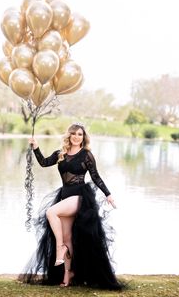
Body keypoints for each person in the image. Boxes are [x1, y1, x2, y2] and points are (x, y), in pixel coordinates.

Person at [19, 123, 123, 290]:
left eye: (80, 134)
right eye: (73, 134)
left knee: (51, 212)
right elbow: (44, 163)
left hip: (80, 197)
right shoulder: (60, 154)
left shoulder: (86, 155)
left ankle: (60, 248)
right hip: (65, 196)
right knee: (68, 238)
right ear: (69, 135)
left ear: (84, 137)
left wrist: (108, 194)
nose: (76, 137)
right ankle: (69, 274)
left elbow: (96, 177)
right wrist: (36, 148)